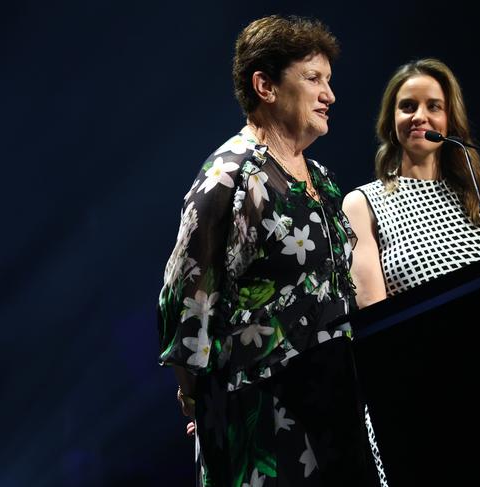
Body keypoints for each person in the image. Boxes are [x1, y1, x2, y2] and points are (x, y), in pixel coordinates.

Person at [157, 15, 380, 486]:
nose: (329, 95)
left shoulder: (320, 178)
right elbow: (185, 298)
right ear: (265, 85)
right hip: (264, 423)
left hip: (336, 416)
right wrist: (199, 399)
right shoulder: (230, 177)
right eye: (313, 78)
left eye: (329, 81)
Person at [343, 58, 480, 308]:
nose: (419, 116)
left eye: (434, 106)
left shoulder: (479, 207)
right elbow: (373, 312)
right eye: (408, 106)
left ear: (450, 120)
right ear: (391, 120)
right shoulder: (362, 204)